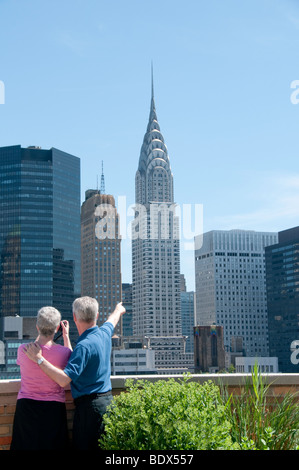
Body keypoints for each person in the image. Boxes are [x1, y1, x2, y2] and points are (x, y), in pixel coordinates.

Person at [25, 297, 125, 450]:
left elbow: (64, 380)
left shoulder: (83, 346)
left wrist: (39, 359)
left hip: (89, 411)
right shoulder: (104, 333)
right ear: (97, 316)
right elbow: (113, 319)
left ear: (74, 317)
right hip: (107, 404)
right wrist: (119, 309)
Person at [10, 307, 72, 450]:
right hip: (53, 409)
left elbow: (38, 344)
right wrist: (66, 336)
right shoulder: (64, 352)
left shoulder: (23, 350)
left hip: (26, 408)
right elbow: (71, 357)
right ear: (57, 328)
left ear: (37, 326)